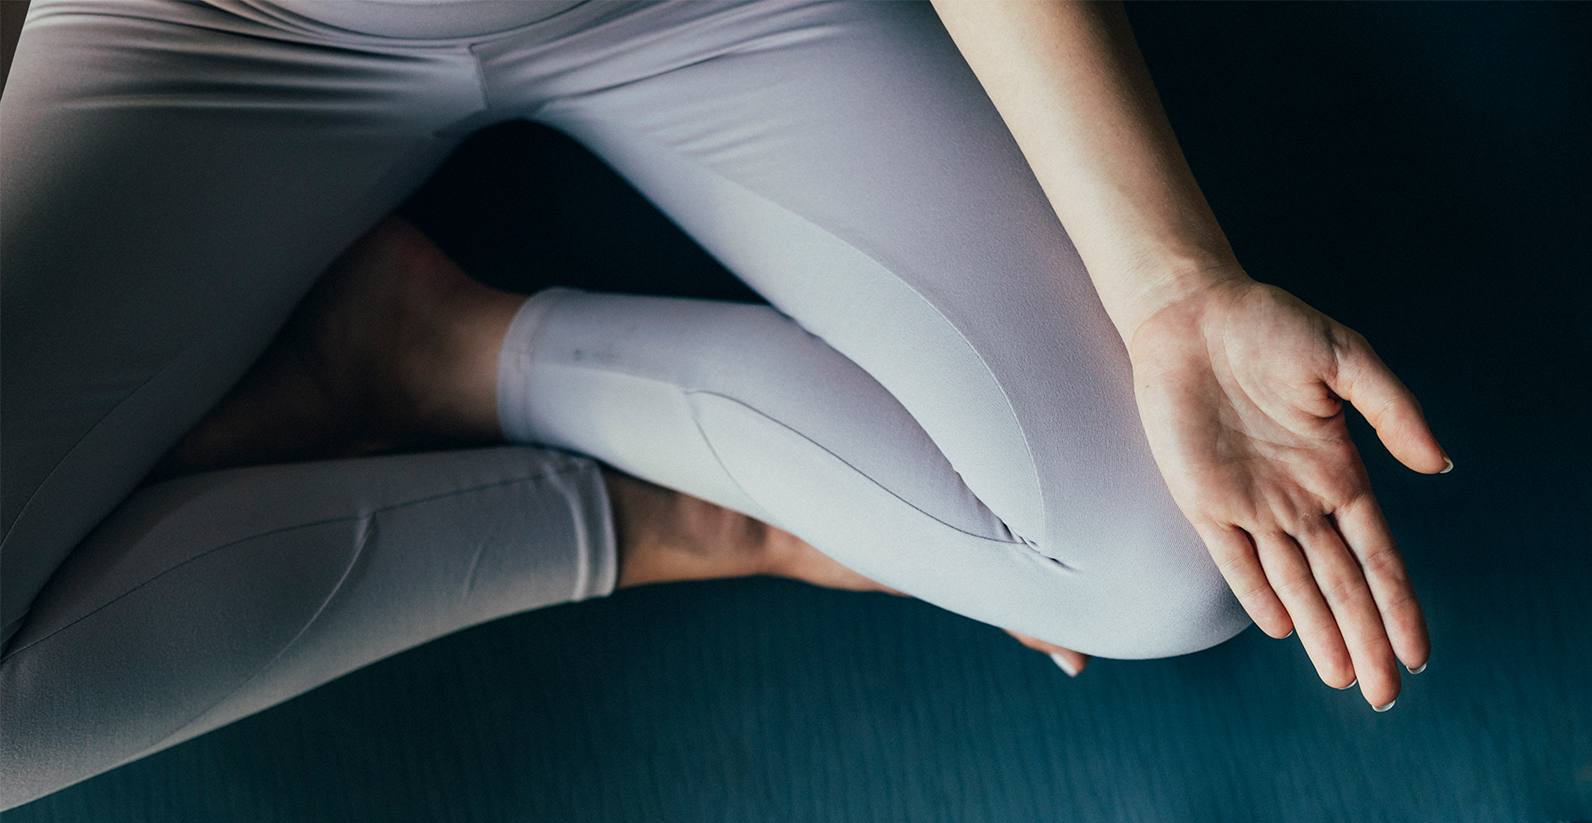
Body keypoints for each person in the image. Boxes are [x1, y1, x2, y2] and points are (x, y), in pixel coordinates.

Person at [0, 0, 1448, 808]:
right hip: (205, 30)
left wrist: (1170, 287)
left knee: (1162, 570)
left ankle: (461, 360)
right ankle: (666, 519)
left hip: (706, 13)